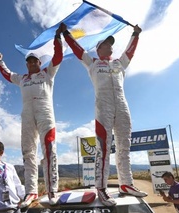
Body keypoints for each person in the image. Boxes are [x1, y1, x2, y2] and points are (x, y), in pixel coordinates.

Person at [58, 23, 147, 206]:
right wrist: (67, 33)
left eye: (111, 43)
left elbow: (130, 52)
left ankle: (126, 184)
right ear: (98, 49)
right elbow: (77, 50)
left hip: (122, 105)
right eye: (106, 43)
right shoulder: (92, 63)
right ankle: (101, 187)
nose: (110, 46)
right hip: (103, 106)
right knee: (104, 148)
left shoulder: (119, 63)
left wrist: (135, 35)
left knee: (124, 146)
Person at [0, 26, 63, 207]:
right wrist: (0, 62)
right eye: (30, 62)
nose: (33, 64)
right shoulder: (22, 79)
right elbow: (6, 74)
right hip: (27, 115)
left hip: (45, 113)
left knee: (49, 150)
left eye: (35, 61)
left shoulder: (47, 74)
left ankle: (52, 191)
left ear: (39, 63)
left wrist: (58, 39)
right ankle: (31, 191)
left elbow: (58, 58)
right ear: (27, 64)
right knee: (28, 153)